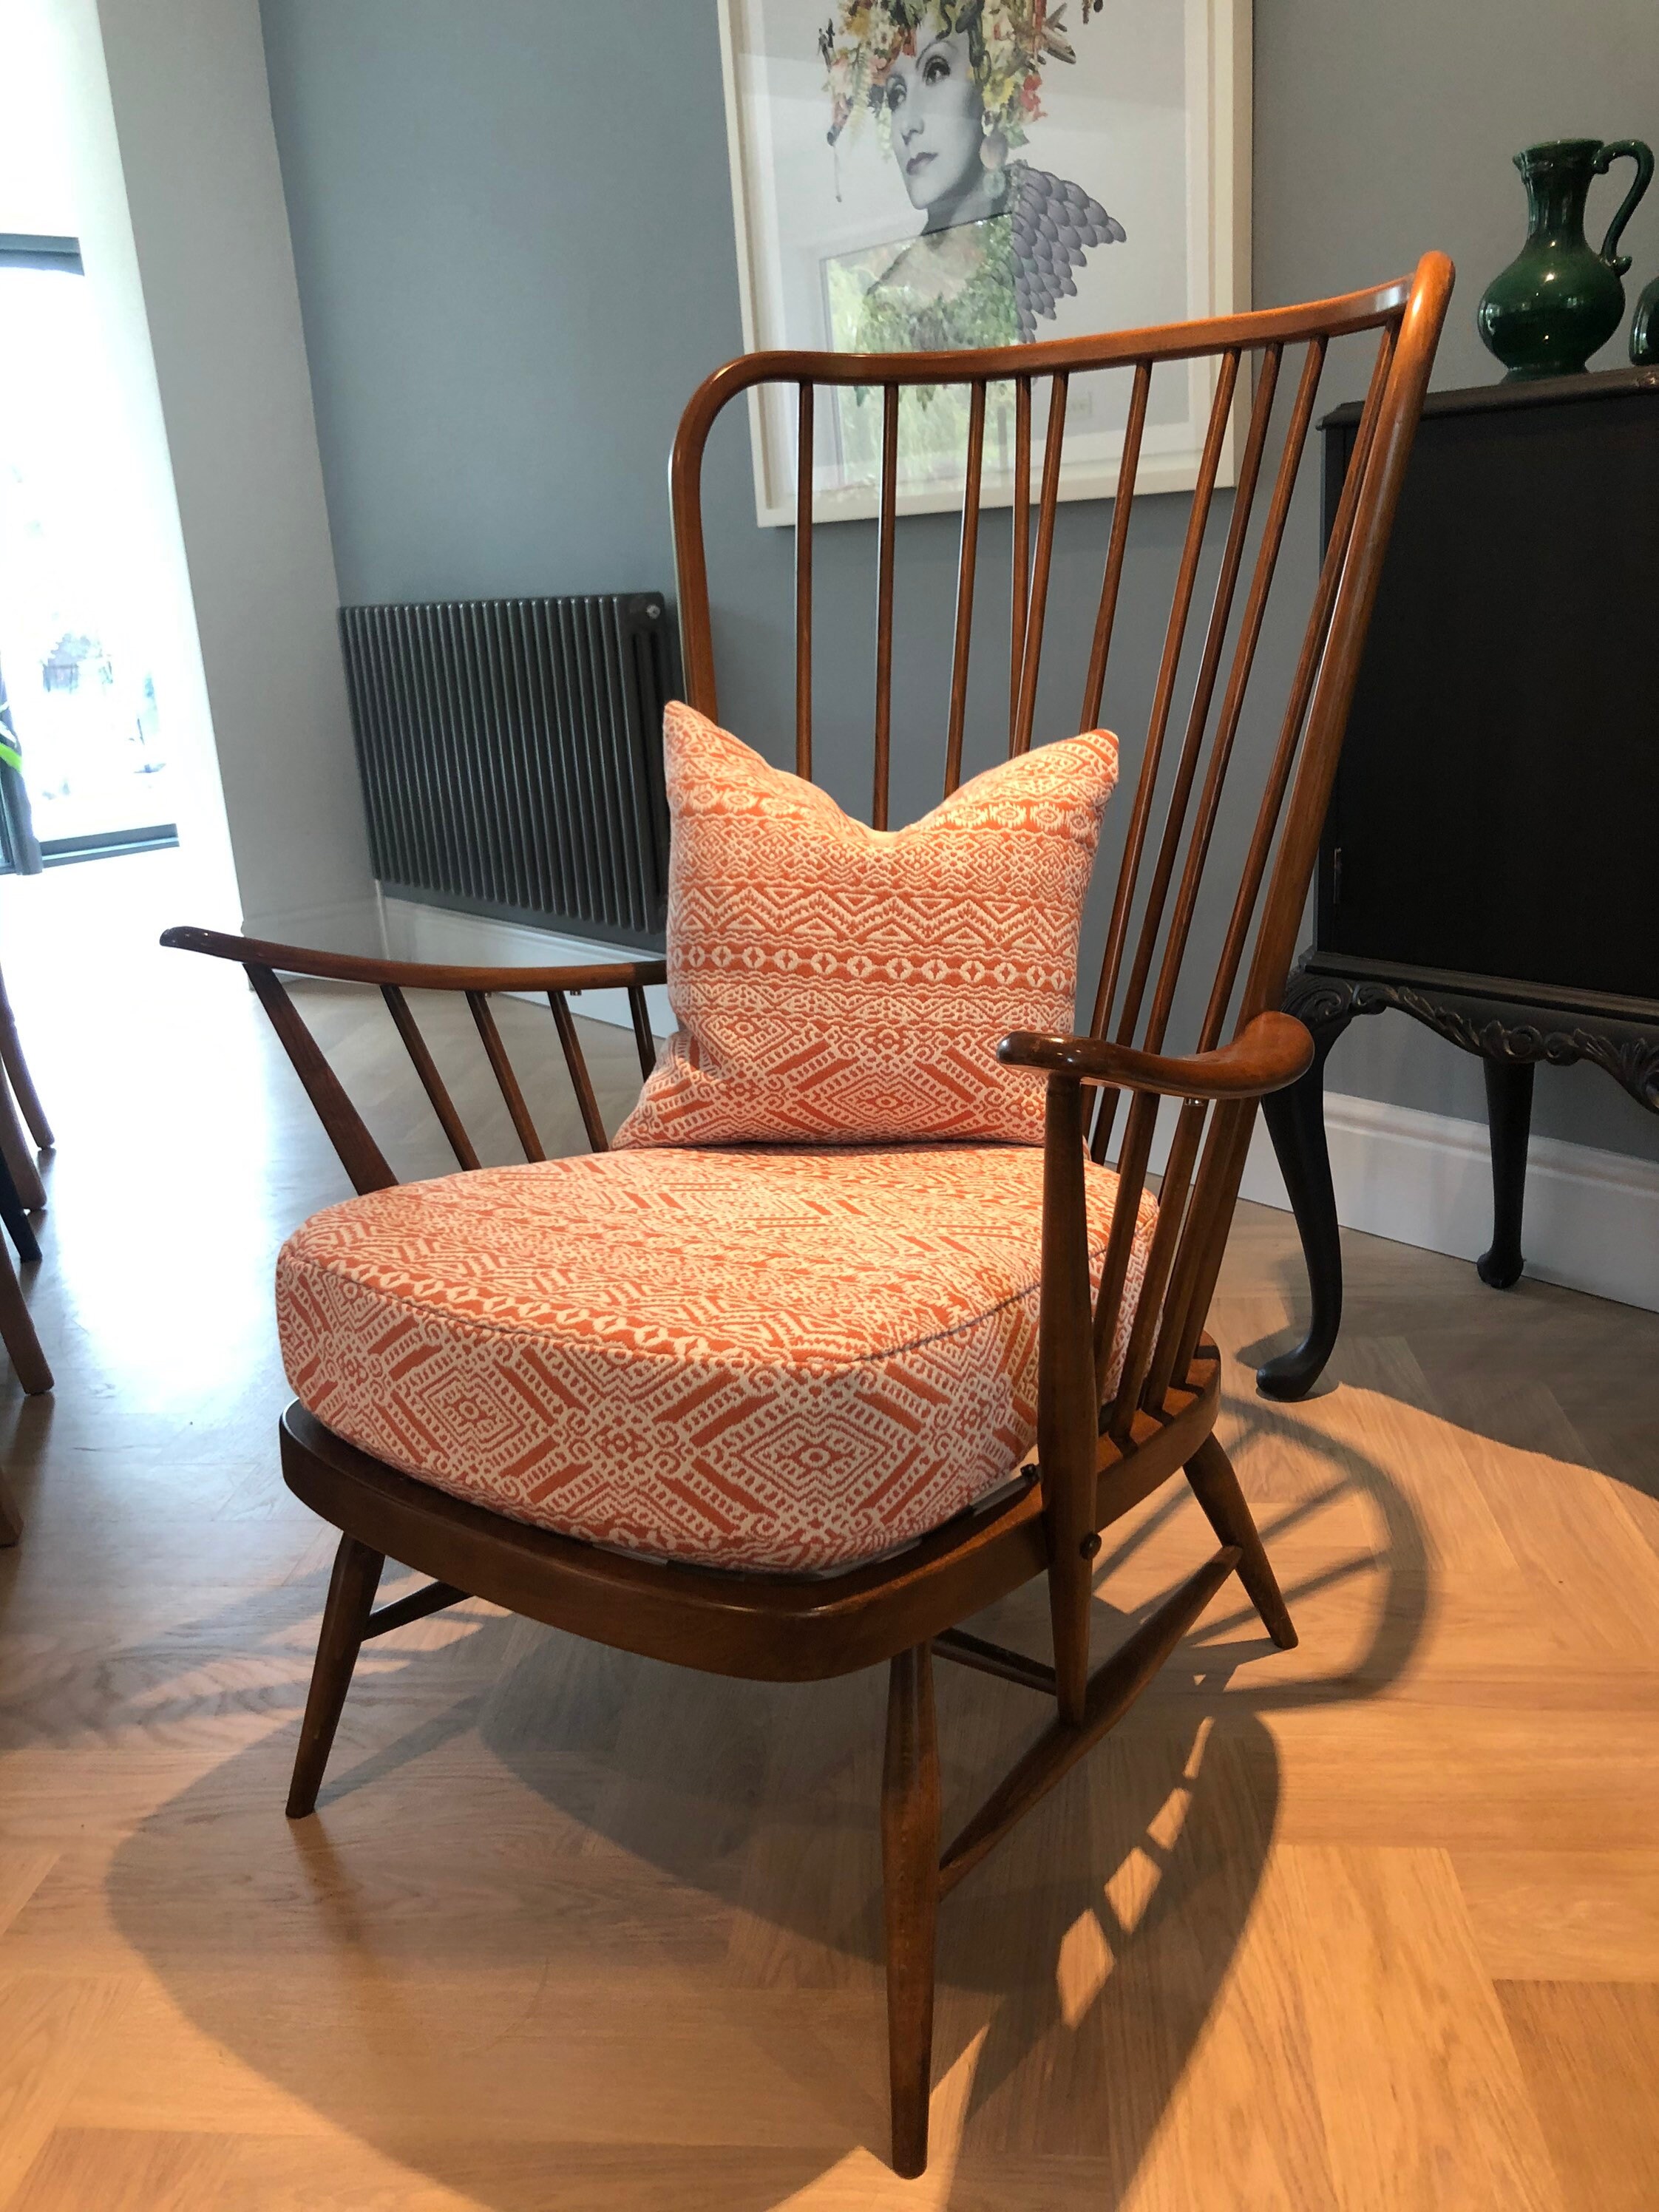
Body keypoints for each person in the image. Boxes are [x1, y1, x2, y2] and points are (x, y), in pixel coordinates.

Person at [821, 0, 1124, 351]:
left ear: (990, 83)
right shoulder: (887, 305)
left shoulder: (1065, 226)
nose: (907, 123)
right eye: (896, 95)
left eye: (935, 72)